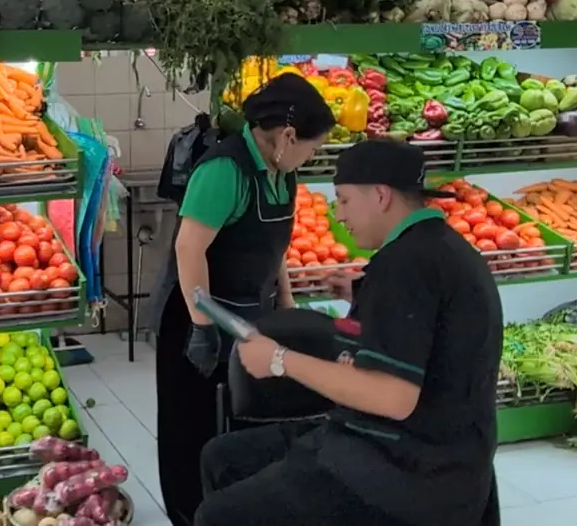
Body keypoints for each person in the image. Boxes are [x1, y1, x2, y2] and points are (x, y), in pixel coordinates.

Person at [194, 139, 503, 526]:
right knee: (223, 457)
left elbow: (392, 396)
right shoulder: (445, 249)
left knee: (216, 516)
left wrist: (279, 359)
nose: (338, 214)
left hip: (407, 472)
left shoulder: (403, 267)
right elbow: (429, 322)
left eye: (343, 200)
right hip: (446, 456)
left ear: (380, 196)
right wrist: (362, 292)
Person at [149, 73, 335, 526]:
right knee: (193, 425)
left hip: (253, 315)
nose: (313, 156)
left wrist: (286, 306)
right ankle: (192, 516)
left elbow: (275, 250)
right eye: (312, 146)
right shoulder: (223, 170)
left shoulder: (280, 172)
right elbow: (189, 248)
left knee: (242, 422)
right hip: (200, 313)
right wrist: (201, 327)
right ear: (287, 136)